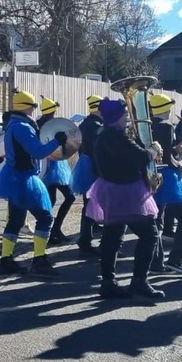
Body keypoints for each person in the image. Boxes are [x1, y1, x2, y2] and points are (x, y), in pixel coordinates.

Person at [87, 98, 163, 299]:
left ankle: (108, 283)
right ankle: (139, 282)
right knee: (150, 235)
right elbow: (140, 157)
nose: (127, 117)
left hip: (111, 188)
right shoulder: (116, 137)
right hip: (126, 190)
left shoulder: (105, 135)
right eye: (124, 115)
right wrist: (153, 149)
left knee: (112, 237)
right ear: (117, 118)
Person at [0, 89, 63, 276]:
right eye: (33, 106)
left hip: (14, 177)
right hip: (24, 179)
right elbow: (37, 152)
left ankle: (6, 260)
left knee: (15, 221)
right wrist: (57, 142)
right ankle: (39, 260)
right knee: (45, 218)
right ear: (27, 107)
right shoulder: (22, 127)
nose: (34, 110)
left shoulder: (14, 124)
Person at [148, 94, 182, 276]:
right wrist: (181, 163)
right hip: (168, 178)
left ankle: (156, 262)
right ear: (165, 109)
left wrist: (176, 149)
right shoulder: (167, 126)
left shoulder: (147, 125)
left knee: (156, 220)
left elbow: (163, 150)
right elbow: (169, 158)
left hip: (152, 177)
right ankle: (176, 260)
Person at [36, 97, 76, 245]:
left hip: (48, 165)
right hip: (52, 166)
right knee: (66, 197)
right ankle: (52, 231)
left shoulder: (38, 125)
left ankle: (51, 231)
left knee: (52, 200)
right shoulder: (48, 126)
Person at [71, 94, 105, 256]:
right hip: (93, 165)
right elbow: (98, 149)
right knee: (91, 203)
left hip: (86, 164)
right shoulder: (96, 126)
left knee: (90, 202)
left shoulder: (86, 123)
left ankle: (89, 233)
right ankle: (85, 240)